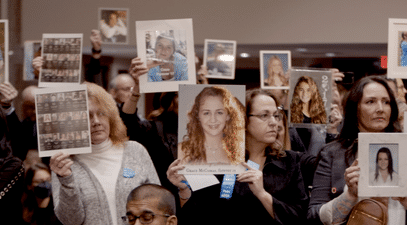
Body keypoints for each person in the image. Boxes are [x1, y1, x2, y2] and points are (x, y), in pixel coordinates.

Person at [167, 89, 308, 225]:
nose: (274, 123)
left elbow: (299, 217)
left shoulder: (289, 161)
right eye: (264, 115)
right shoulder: (217, 159)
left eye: (276, 115)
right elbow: (199, 217)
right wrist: (184, 189)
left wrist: (262, 194)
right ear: (243, 120)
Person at [50, 82, 160, 225]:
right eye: (87, 116)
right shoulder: (64, 163)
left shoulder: (135, 150)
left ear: (111, 117)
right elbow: (71, 221)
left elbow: (159, 203)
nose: (96, 121)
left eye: (101, 113)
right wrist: (66, 180)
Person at [307, 75, 407, 225]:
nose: (380, 109)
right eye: (370, 102)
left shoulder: (404, 149)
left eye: (386, 102)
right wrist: (349, 196)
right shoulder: (332, 153)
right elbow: (314, 216)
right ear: (355, 108)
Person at [179, 86, 245, 164]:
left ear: (228, 116)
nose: (213, 119)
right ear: (198, 116)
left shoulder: (240, 151)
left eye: (219, 112)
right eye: (206, 113)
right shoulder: (182, 150)